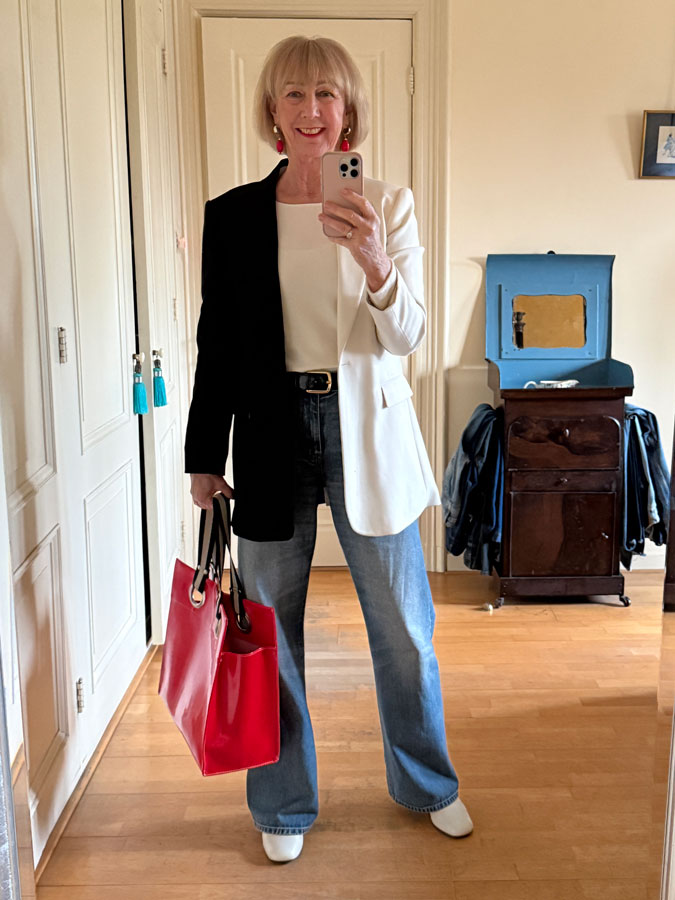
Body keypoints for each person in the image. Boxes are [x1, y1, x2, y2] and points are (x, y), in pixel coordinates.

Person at [185, 34, 473, 863]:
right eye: (293, 96)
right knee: (269, 632)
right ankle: (282, 807)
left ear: (347, 111)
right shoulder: (232, 215)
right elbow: (218, 346)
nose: (311, 112)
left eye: (327, 95)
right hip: (270, 433)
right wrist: (205, 457)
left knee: (405, 630)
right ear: (272, 113)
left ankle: (427, 784)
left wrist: (376, 259)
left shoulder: (388, 202)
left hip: (366, 433)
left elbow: (406, 335)